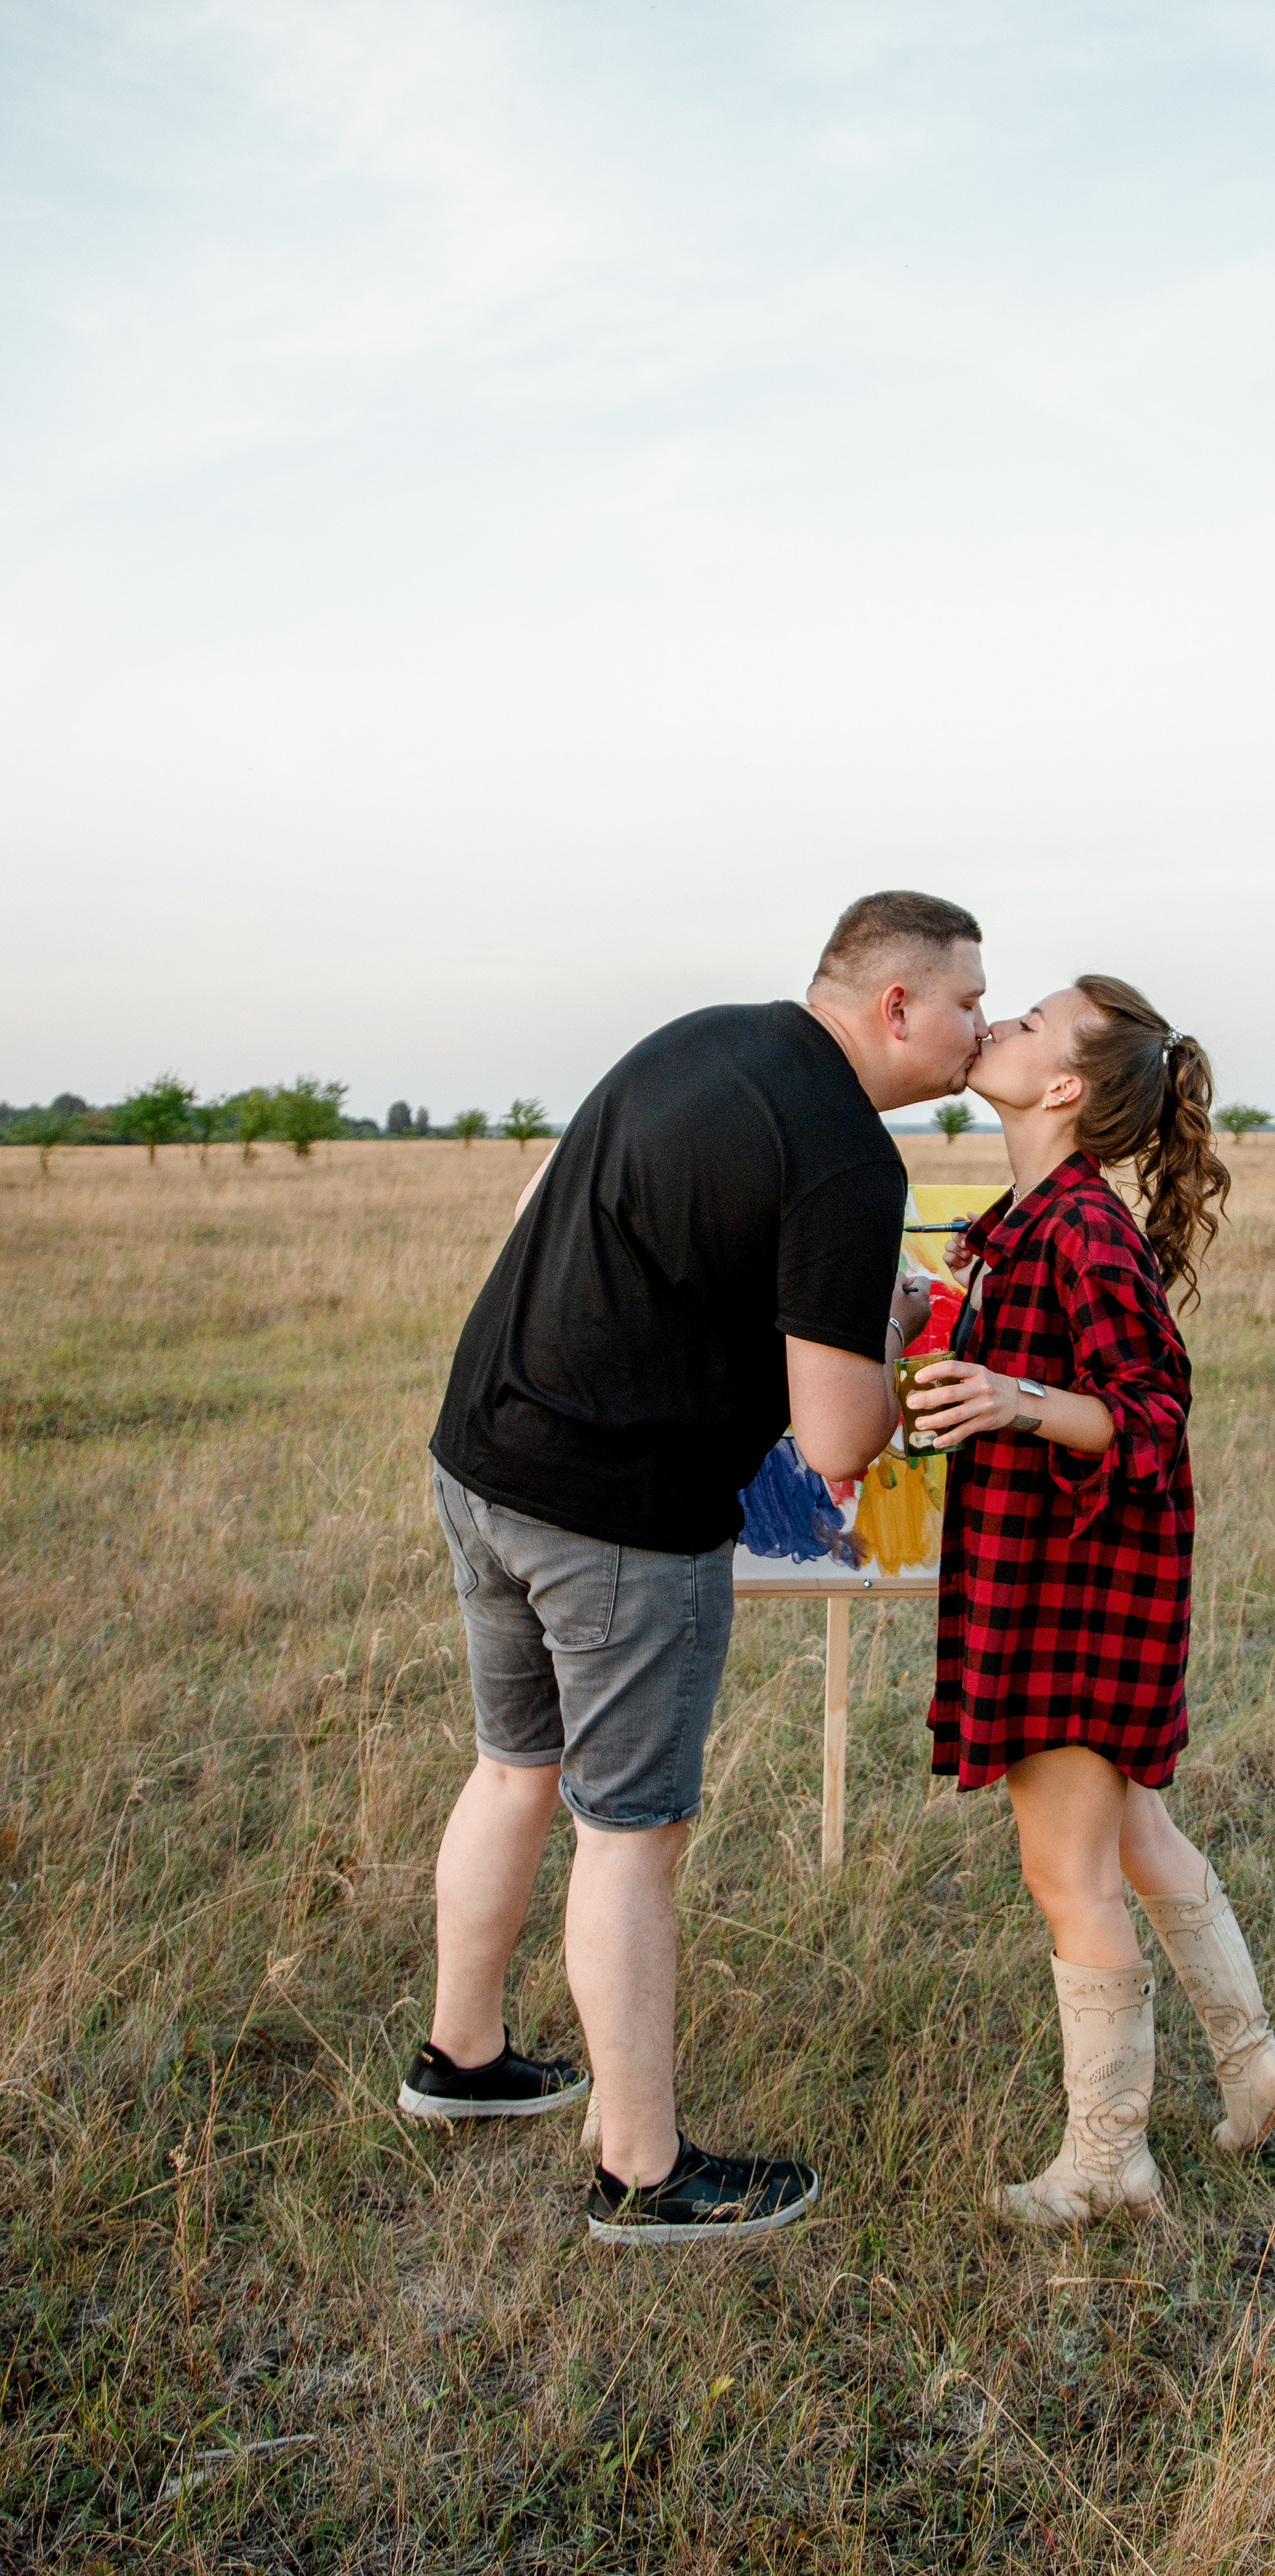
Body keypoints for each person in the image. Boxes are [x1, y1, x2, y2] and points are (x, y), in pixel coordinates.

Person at [407, 891, 988, 2245]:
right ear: (896, 1005)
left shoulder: (704, 1040)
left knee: (513, 1766)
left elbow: (555, 1198)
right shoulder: (851, 1158)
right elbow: (841, 1436)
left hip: (482, 1456)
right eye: (968, 999)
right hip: (614, 1520)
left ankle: (465, 2062)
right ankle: (643, 2172)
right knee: (635, 1833)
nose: (979, 1026)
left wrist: (840, 1307)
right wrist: (926, 1365)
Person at [907, 976, 1275, 2228]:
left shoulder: (1084, 1230)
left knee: (1066, 1876)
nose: (1002, 1027)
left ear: (1066, 1086)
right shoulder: (1026, 1219)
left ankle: (1107, 2163)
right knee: (1133, 1837)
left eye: (1027, 1024)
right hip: (1058, 1571)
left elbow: (1151, 1407)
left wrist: (1015, 1401)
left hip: (1080, 1588)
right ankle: (1256, 2069)